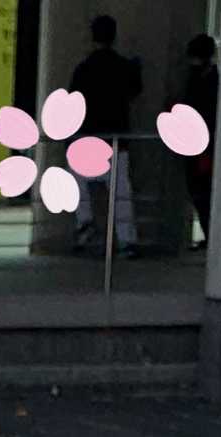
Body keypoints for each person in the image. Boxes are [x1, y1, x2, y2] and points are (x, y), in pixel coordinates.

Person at [70, 12, 141, 255]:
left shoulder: (83, 69)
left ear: (92, 37)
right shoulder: (124, 67)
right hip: (116, 140)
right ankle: (127, 240)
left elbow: (73, 102)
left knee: (78, 185)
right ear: (114, 37)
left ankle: (85, 224)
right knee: (121, 194)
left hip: (87, 139)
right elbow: (134, 91)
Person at [180, 33, 218, 246]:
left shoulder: (212, 82)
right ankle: (208, 233)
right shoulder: (197, 79)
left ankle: (211, 235)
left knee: (204, 193)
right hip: (194, 145)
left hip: (206, 146)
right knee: (197, 193)